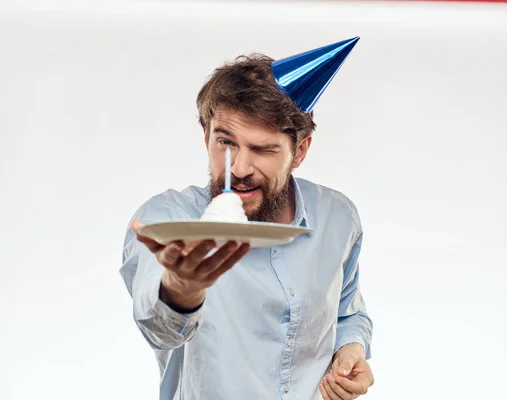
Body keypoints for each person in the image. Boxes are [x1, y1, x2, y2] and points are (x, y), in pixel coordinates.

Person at [120, 37, 374, 400]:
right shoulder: (166, 221)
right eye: (225, 142)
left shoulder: (337, 217)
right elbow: (159, 328)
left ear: (299, 151)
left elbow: (348, 313)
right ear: (206, 134)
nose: (238, 168)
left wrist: (352, 350)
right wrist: (183, 288)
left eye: (263, 149)